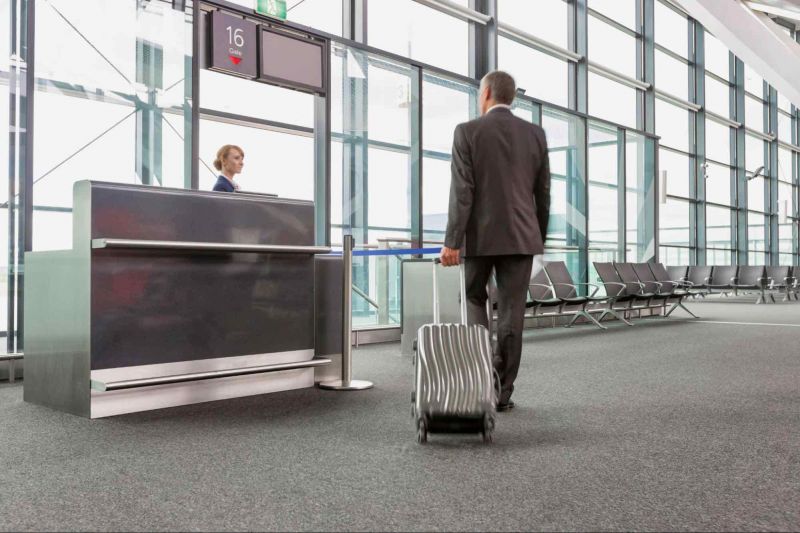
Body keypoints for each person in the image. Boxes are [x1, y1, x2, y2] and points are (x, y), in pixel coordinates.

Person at [440, 70, 551, 412]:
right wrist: (537, 238)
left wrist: (452, 241)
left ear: (486, 93)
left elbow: (463, 191)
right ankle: (502, 393)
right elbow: (543, 193)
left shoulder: (467, 132)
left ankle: (479, 376)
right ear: (511, 96)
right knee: (512, 313)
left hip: (479, 238)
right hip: (521, 238)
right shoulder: (535, 134)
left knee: (474, 299)